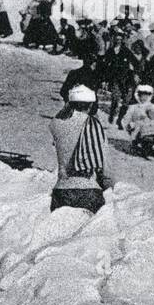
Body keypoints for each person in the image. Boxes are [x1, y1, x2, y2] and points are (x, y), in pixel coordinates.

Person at [48, 85, 114, 214]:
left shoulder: (56, 124)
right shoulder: (94, 125)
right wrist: (109, 187)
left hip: (61, 191)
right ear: (91, 105)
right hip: (89, 191)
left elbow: (61, 117)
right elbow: (106, 169)